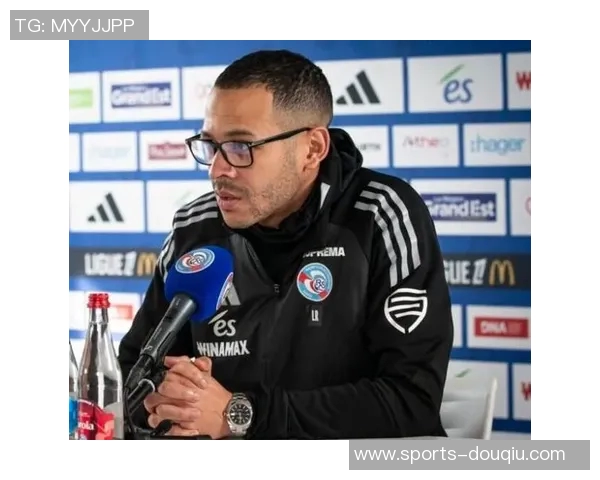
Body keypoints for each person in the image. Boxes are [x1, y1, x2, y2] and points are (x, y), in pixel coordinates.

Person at [118, 49, 454, 440]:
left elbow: (411, 402)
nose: (217, 169)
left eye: (241, 147)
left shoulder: (381, 214)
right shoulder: (195, 229)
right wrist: (170, 397)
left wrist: (238, 414)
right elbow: (133, 374)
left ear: (312, 149)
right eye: (210, 145)